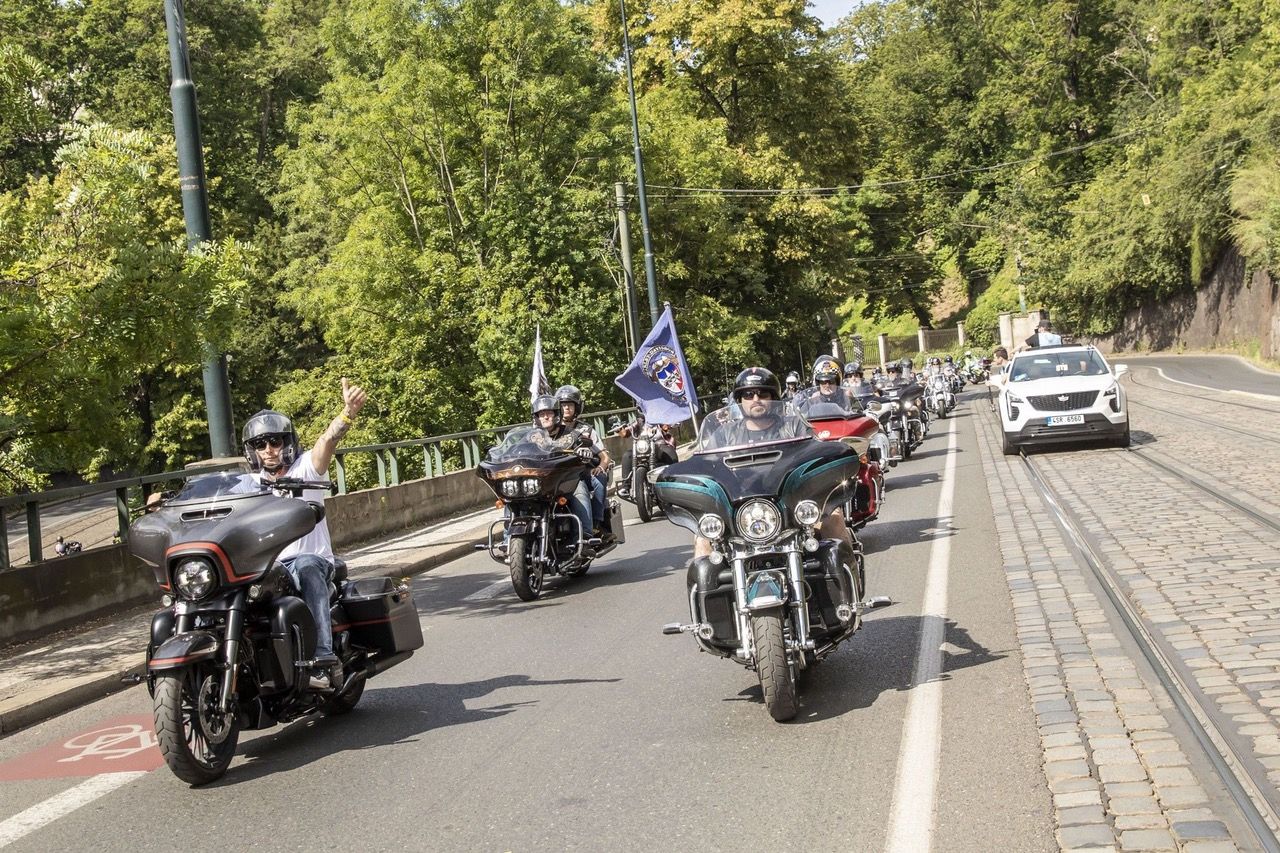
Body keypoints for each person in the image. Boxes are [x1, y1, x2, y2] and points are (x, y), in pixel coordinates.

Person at [241, 377, 367, 690]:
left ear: (287, 442)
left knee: (309, 565)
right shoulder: (248, 486)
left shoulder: (305, 469)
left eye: (275, 441)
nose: (269, 450)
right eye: (260, 444)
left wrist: (347, 414)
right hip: (269, 568)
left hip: (310, 561)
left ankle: (322, 658)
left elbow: (326, 443)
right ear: (251, 450)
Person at [694, 368, 853, 558]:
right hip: (740, 511)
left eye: (763, 393)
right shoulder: (724, 435)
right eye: (748, 394)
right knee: (703, 537)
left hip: (793, 505)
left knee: (834, 518)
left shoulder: (794, 426)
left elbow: (816, 458)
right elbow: (706, 468)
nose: (756, 399)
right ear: (739, 400)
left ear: (773, 397)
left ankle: (849, 578)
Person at [528, 394, 595, 546]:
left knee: (580, 489)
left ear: (556, 415)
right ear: (536, 417)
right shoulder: (530, 437)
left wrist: (584, 450)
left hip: (564, 480)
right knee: (512, 498)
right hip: (540, 482)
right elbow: (518, 451)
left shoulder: (571, 434)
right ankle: (507, 540)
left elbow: (583, 445)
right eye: (541, 414)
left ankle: (584, 535)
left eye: (549, 413)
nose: (545, 417)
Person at [554, 385, 614, 543]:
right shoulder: (552, 430)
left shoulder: (586, 430)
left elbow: (604, 457)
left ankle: (596, 524)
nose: (566, 408)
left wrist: (600, 467)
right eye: (563, 404)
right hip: (556, 474)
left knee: (599, 478)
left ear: (577, 407)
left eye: (570, 404)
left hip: (581, 472)